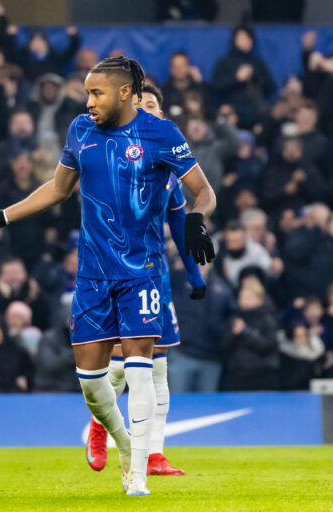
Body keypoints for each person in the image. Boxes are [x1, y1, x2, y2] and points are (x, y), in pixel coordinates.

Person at [0, 56, 216, 496]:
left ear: (125, 93)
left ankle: (136, 475)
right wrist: (0, 217)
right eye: (87, 93)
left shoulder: (161, 133)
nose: (88, 101)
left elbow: (202, 190)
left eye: (96, 93)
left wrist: (196, 218)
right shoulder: (81, 130)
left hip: (142, 273)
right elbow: (58, 189)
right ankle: (122, 439)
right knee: (93, 385)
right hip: (92, 275)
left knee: (142, 369)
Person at [85, 83, 206, 477]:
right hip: (112, 274)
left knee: (159, 367)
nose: (149, 112)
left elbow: (179, 226)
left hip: (154, 276)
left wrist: (193, 273)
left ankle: (154, 454)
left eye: (154, 106)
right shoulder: (116, 155)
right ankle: (100, 423)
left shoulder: (170, 169)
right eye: (143, 106)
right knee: (127, 365)